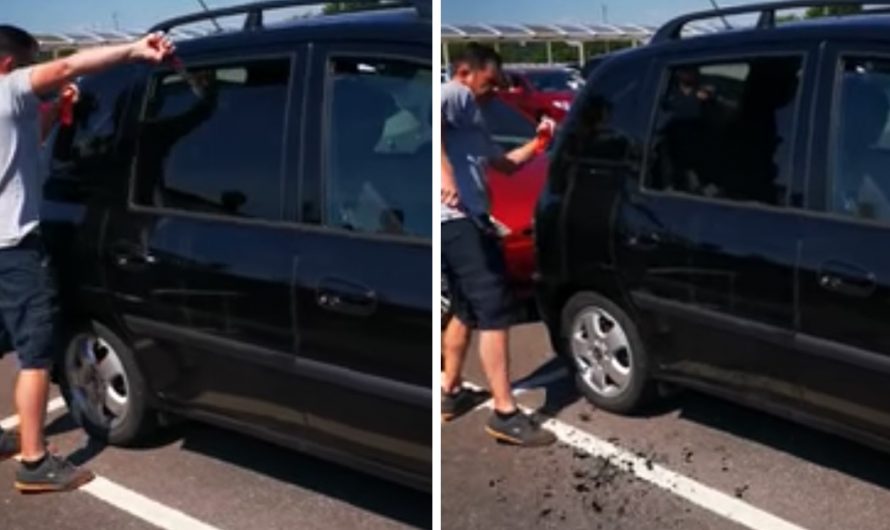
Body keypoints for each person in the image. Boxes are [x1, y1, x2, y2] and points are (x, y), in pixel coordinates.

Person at [0, 25, 173, 493]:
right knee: (35, 354)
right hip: (13, 250)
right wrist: (135, 50)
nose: (43, 74)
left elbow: (22, 143)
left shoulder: (11, 109)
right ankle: (34, 462)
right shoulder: (10, 89)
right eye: (32, 64)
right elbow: (69, 64)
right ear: (11, 65)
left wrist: (57, 111)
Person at [440, 43, 556, 447]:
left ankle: (450, 392)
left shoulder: (472, 121)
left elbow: (505, 164)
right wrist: (446, 176)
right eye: (488, 82)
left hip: (467, 222)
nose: (492, 91)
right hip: (457, 221)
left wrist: (539, 143)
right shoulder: (454, 93)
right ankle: (505, 413)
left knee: (465, 308)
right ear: (465, 72)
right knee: (495, 308)